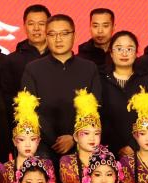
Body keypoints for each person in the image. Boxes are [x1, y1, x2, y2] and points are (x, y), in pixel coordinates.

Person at [21, 14, 102, 159]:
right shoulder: (33, 69)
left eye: (64, 34)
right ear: (46, 37)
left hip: (81, 147)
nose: (58, 39)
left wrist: (74, 137)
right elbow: (29, 110)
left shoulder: (89, 68)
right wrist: (53, 140)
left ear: (74, 35)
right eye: (52, 34)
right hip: (42, 148)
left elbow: (95, 109)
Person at [101, 30, 148, 156]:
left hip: (140, 149)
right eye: (119, 48)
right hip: (106, 150)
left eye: (129, 49)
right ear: (111, 53)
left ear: (136, 53)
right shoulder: (100, 79)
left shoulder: (146, 80)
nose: (124, 53)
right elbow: (99, 116)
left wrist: (133, 145)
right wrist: (113, 146)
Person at [6, 91, 59, 183]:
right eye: (22, 139)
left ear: (38, 141)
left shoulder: (47, 165)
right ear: (14, 141)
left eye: (32, 139)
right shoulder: (6, 168)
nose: (28, 144)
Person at [58, 89, 104, 183]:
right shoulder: (67, 162)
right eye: (86, 133)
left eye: (96, 133)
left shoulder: (106, 159)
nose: (92, 138)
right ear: (76, 137)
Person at [0, 4, 50, 100]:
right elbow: (7, 97)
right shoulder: (11, 60)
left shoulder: (58, 56)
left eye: (41, 24)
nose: (36, 28)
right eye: (31, 24)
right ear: (24, 26)